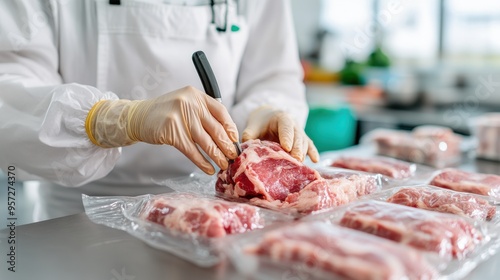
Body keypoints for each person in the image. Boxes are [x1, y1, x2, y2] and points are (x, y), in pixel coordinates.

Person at [0, 0, 319, 221]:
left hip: (220, 214)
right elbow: (8, 96)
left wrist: (266, 110)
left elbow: (274, 74)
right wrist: (109, 119)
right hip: (78, 218)